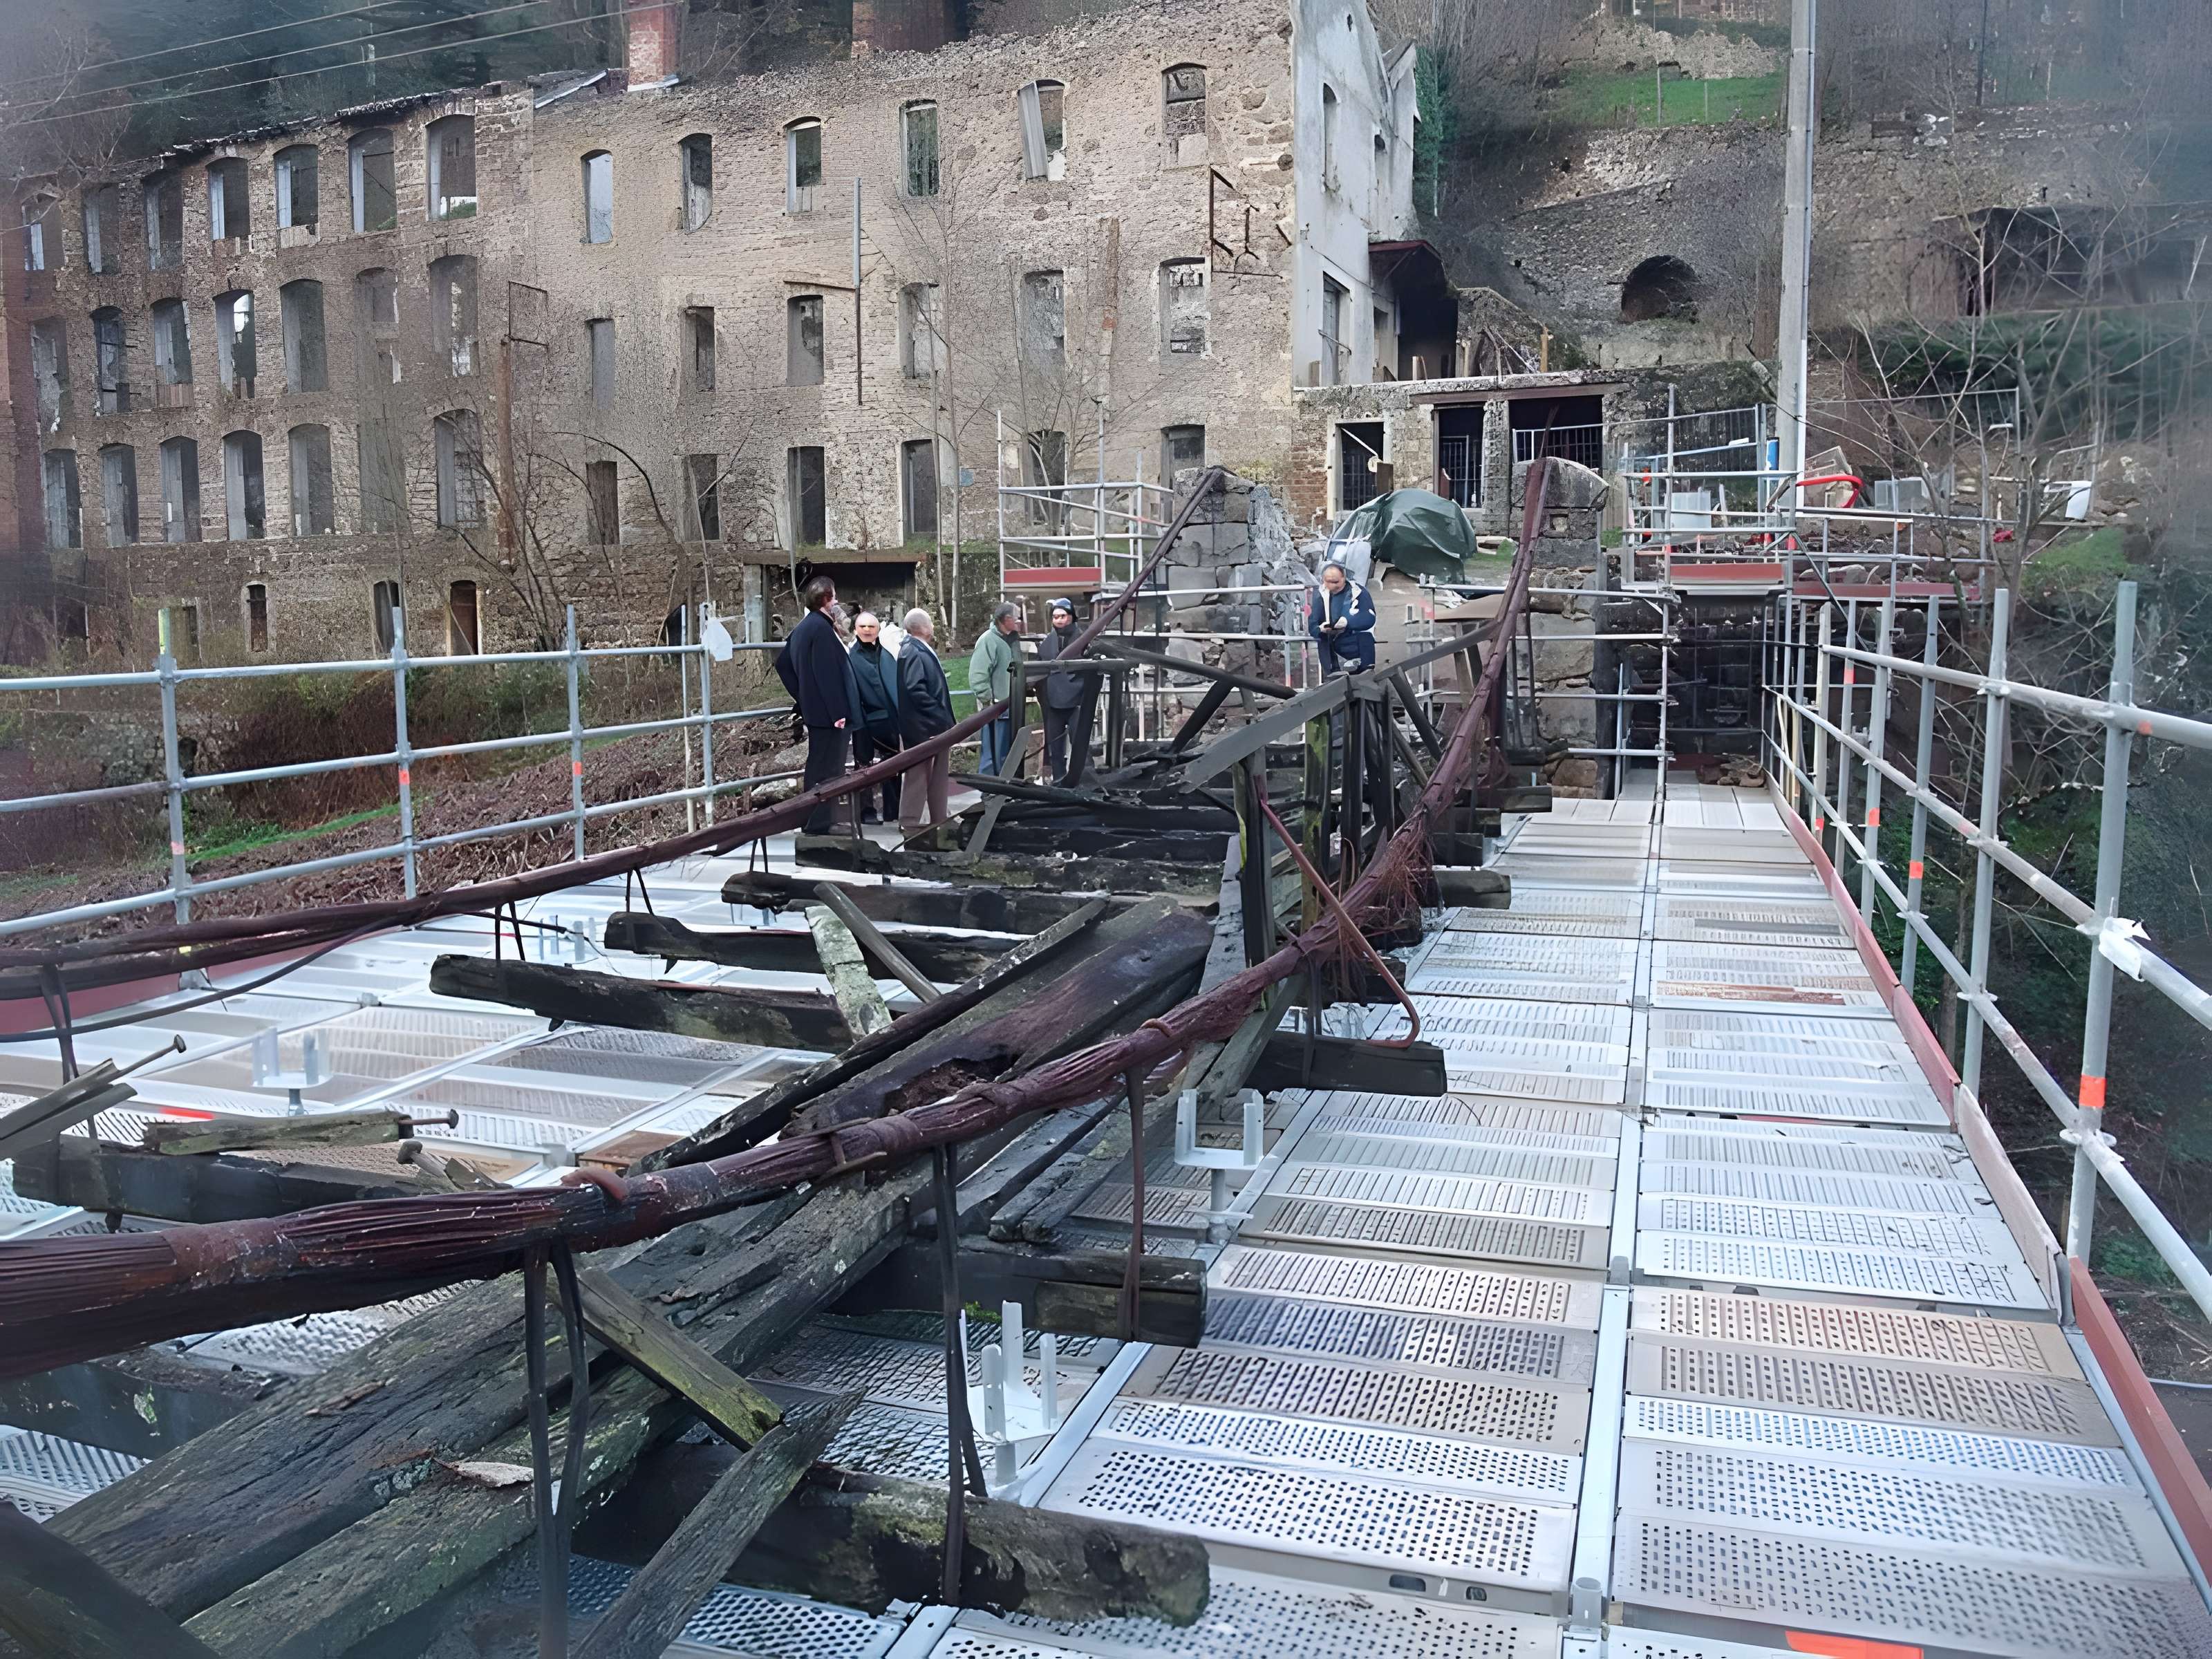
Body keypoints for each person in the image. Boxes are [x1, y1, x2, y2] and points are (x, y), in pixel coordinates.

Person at [774, 574, 860, 834]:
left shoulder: (803, 628)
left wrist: (803, 697)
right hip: (829, 715)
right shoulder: (821, 629)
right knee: (829, 770)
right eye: (834, 597)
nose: (837, 602)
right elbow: (827, 674)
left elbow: (783, 665)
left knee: (817, 765)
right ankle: (821, 823)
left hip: (816, 711)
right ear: (825, 600)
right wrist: (837, 712)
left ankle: (813, 821)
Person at [897, 608, 956, 831]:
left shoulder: (919, 649)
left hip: (933, 725)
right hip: (923, 727)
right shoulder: (912, 651)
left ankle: (940, 817)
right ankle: (909, 821)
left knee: (939, 773)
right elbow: (915, 688)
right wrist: (937, 713)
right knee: (918, 774)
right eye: (930, 622)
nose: (932, 626)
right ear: (923, 627)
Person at [1033, 595, 1097, 787]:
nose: (1059, 620)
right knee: (1055, 748)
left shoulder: (1084, 640)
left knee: (1081, 745)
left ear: (1072, 617)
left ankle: (1087, 782)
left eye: (1063, 616)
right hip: (1053, 702)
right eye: (1056, 616)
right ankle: (1059, 782)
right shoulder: (1047, 643)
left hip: (1077, 701)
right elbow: (1039, 668)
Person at [847, 610, 903, 824]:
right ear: (856, 630)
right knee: (863, 766)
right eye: (863, 627)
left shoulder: (887, 654)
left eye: (872, 626)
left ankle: (893, 810)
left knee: (893, 763)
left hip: (888, 717)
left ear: (878, 629)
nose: (868, 630)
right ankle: (866, 812)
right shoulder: (851, 658)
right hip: (863, 718)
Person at [968, 601, 1023, 775]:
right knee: (992, 754)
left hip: (1010, 706)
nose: (1020, 621)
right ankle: (989, 790)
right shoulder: (988, 641)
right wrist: (988, 702)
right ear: (1007, 619)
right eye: (1017, 617)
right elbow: (978, 675)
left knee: (1005, 753)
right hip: (996, 708)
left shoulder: (1012, 640)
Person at [1307, 559, 1376, 674]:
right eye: (1328, 582)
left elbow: (1369, 618)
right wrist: (1321, 630)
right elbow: (1312, 625)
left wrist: (1347, 621)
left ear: (1344, 578)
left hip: (1357, 647)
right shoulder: (1319, 596)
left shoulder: (1358, 592)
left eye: (1335, 582)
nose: (1331, 585)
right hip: (1330, 651)